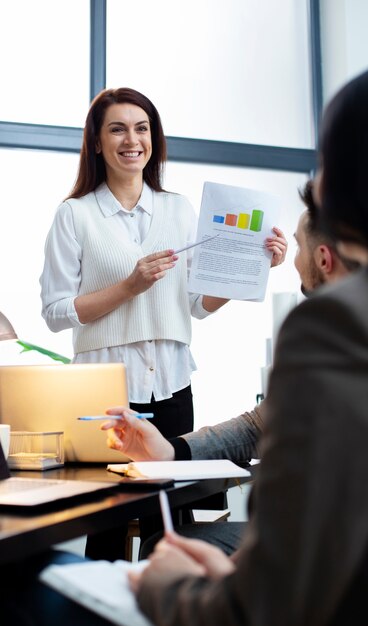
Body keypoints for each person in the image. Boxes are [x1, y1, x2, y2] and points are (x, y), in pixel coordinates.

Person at [123, 59, 368, 625]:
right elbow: (267, 422)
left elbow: (262, 608)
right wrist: (176, 450)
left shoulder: (344, 325)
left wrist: (168, 586)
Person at [39, 87, 287, 558]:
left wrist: (257, 267)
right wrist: (129, 286)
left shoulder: (178, 210)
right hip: (104, 392)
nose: (132, 139)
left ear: (153, 138)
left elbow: (195, 304)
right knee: (107, 522)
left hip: (172, 386)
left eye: (142, 128)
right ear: (96, 142)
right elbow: (55, 313)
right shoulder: (74, 215)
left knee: (173, 519)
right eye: (117, 128)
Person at [102, 177, 360, 558]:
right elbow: (259, 424)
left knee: (167, 550)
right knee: (174, 543)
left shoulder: (331, 337)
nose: (291, 258)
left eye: (297, 247)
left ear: (323, 260)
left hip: (338, 538)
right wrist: (170, 450)